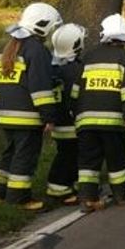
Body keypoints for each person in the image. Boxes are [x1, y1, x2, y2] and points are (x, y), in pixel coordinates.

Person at [0, 2, 62, 211]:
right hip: (27, 117)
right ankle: (18, 198)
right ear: (43, 25)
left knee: (9, 153)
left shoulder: (9, 47)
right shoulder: (37, 51)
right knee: (25, 157)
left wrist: (0, 106)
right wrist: (49, 117)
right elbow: (40, 88)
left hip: (6, 114)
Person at [74, 14, 125, 212]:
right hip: (114, 123)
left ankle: (87, 199)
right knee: (117, 159)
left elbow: (76, 90)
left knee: (88, 162)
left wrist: (75, 113)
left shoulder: (88, 57)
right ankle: (120, 196)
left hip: (86, 121)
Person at [45, 23, 86, 206]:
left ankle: (74, 185)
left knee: (68, 153)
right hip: (72, 121)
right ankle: (58, 189)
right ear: (77, 45)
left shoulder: (52, 68)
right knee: (69, 155)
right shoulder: (77, 70)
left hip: (58, 120)